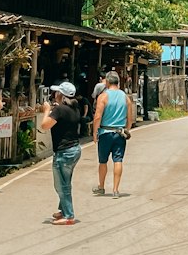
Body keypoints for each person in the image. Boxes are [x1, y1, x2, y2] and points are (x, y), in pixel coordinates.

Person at [40, 81, 82, 225]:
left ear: (60, 95)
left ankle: (69, 215)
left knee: (61, 185)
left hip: (64, 152)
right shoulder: (74, 108)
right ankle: (63, 209)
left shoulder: (59, 110)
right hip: (74, 149)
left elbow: (44, 125)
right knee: (66, 182)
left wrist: (47, 110)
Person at [92, 70, 133, 198]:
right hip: (120, 133)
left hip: (105, 132)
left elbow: (97, 117)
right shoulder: (125, 97)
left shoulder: (103, 96)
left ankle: (101, 187)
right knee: (118, 160)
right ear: (118, 82)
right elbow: (130, 119)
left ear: (107, 82)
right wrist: (126, 128)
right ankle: (115, 190)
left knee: (103, 161)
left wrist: (94, 132)